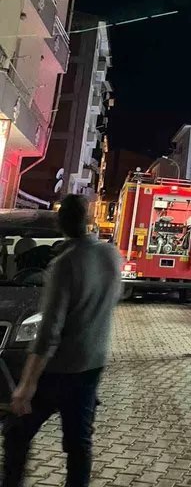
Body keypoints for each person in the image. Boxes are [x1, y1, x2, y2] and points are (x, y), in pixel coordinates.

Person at [3, 194, 122, 487]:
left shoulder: (65, 263)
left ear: (61, 223)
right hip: (92, 365)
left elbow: (50, 330)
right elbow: (113, 299)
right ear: (89, 219)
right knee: (79, 444)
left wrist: (27, 384)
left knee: (17, 432)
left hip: (58, 370)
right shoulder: (110, 255)